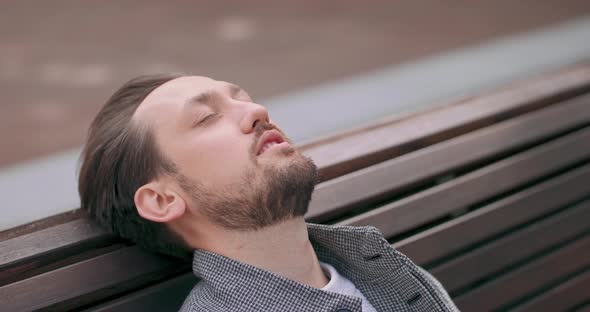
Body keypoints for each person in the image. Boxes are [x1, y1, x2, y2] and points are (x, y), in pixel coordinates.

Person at [78, 74, 459, 312]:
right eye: (207, 117)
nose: (257, 110)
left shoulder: (371, 266)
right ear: (162, 200)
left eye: (242, 98)